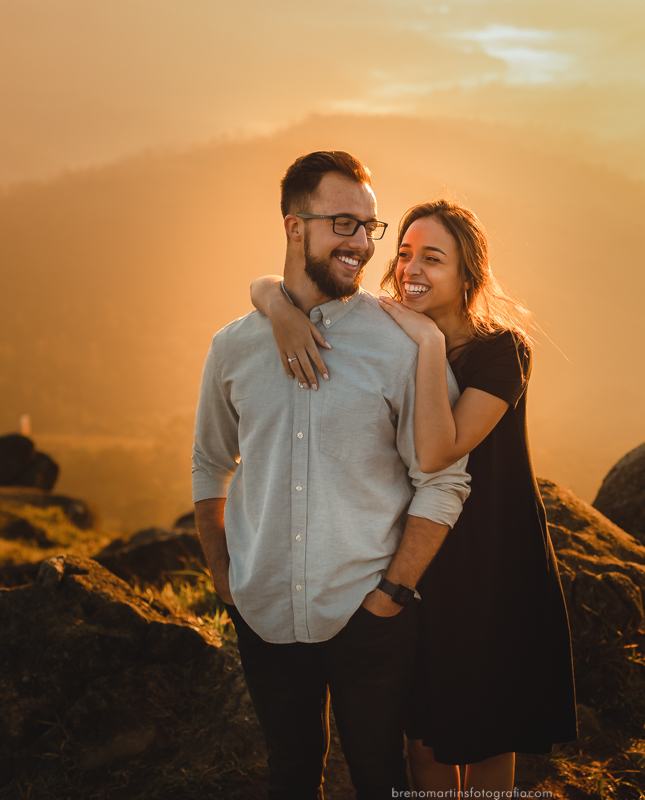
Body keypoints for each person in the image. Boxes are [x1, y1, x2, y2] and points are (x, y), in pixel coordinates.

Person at [250, 199, 577, 792]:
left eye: (433, 258)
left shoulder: (502, 352)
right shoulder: (386, 328)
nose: (411, 270)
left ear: (468, 275)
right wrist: (275, 305)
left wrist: (427, 344)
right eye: (403, 255)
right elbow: (273, 281)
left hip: (490, 565)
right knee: (421, 738)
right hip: (414, 560)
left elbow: (436, 451)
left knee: (485, 737)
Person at [192, 151, 471, 800]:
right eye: (343, 223)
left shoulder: (400, 344)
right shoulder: (233, 346)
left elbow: (444, 479)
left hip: (368, 615)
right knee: (290, 772)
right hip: (261, 611)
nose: (362, 245)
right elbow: (211, 461)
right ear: (295, 227)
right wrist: (223, 576)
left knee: (380, 777)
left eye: (369, 227)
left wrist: (392, 594)